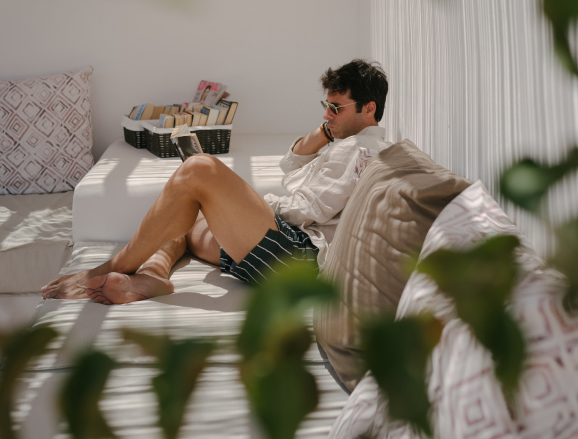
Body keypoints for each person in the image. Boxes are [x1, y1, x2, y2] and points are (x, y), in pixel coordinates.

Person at [41, 59, 390, 305]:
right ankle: (154, 274)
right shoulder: (346, 142)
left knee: (199, 170)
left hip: (301, 260)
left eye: (336, 108)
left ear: (369, 108)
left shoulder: (361, 151)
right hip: (289, 253)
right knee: (190, 216)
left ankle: (115, 266)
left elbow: (303, 212)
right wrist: (327, 131)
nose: (327, 115)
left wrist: (250, 202)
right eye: (325, 105)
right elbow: (290, 164)